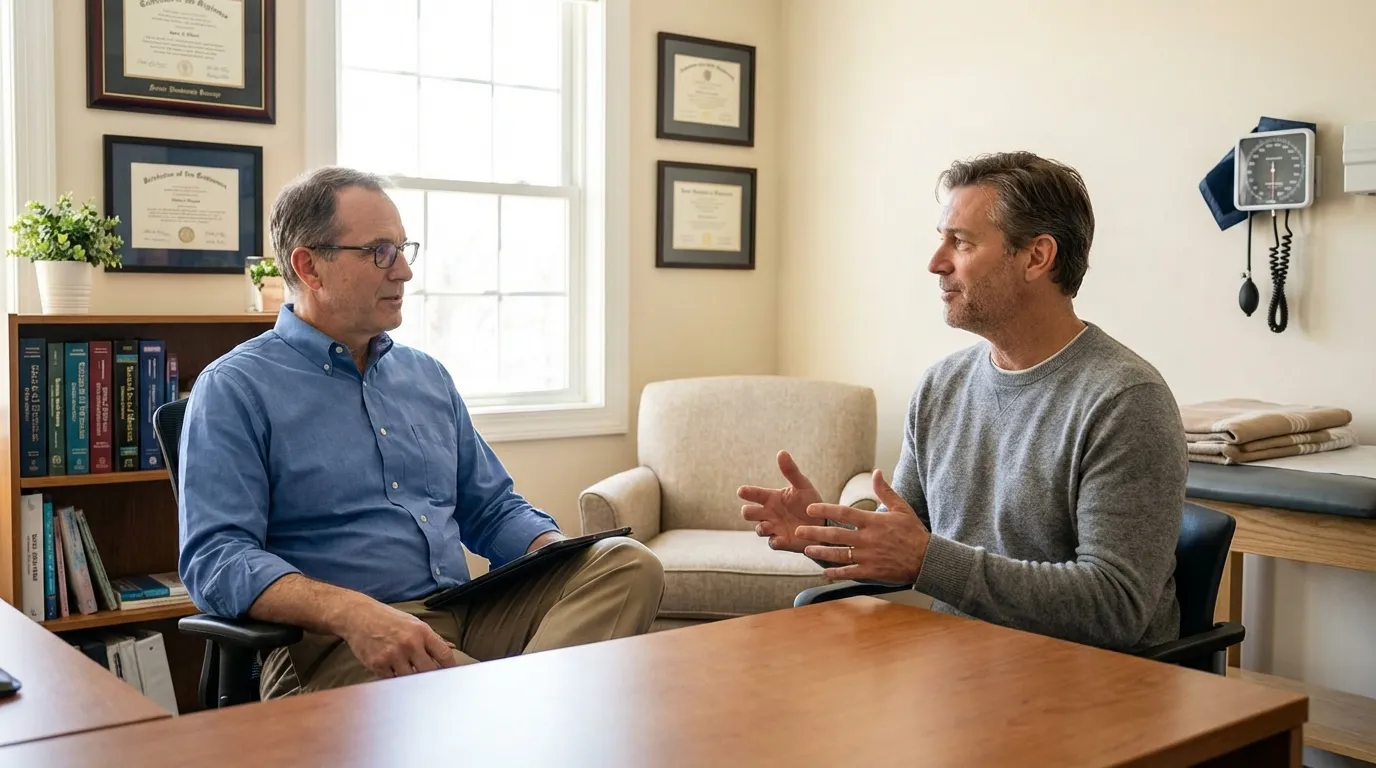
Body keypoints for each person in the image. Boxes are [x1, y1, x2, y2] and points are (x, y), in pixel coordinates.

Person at [178, 166, 664, 698]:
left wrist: (554, 554)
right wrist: (353, 613)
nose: (404, 271)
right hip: (335, 644)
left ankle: (513, 708)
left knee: (626, 564)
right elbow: (217, 557)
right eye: (380, 252)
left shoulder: (425, 376)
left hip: (461, 611)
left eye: (404, 248)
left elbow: (491, 509)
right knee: (491, 697)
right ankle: (524, 712)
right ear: (309, 266)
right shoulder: (234, 388)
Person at [740, 151, 1187, 652]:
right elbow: (904, 544)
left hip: (1093, 684)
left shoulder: (1124, 400)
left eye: (962, 242)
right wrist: (828, 534)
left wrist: (926, 559)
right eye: (941, 239)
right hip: (961, 667)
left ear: (1037, 257)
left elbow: (1115, 606)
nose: (936, 262)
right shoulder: (941, 386)